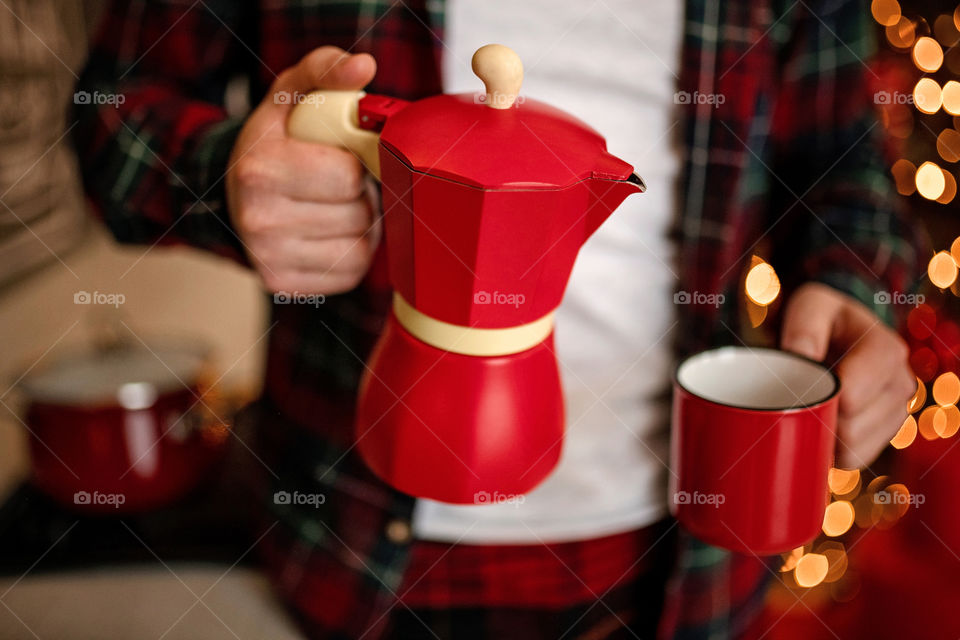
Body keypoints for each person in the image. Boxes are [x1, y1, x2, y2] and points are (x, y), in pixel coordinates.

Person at [73, 0, 923, 637]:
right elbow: (108, 109)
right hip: (355, 554)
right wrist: (228, 176)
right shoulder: (408, 134)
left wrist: (855, 291)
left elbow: (843, 164)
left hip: (677, 569)